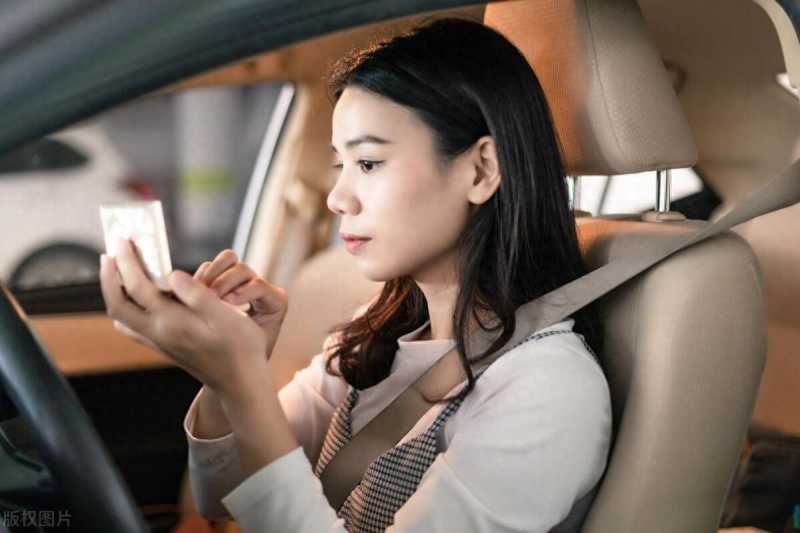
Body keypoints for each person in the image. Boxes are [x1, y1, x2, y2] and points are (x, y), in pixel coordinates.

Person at [99, 17, 612, 532]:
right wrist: (227, 379)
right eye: (338, 166)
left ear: (481, 170)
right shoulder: (375, 333)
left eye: (368, 163)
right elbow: (221, 496)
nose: (337, 198)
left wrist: (242, 377)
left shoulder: (548, 390)